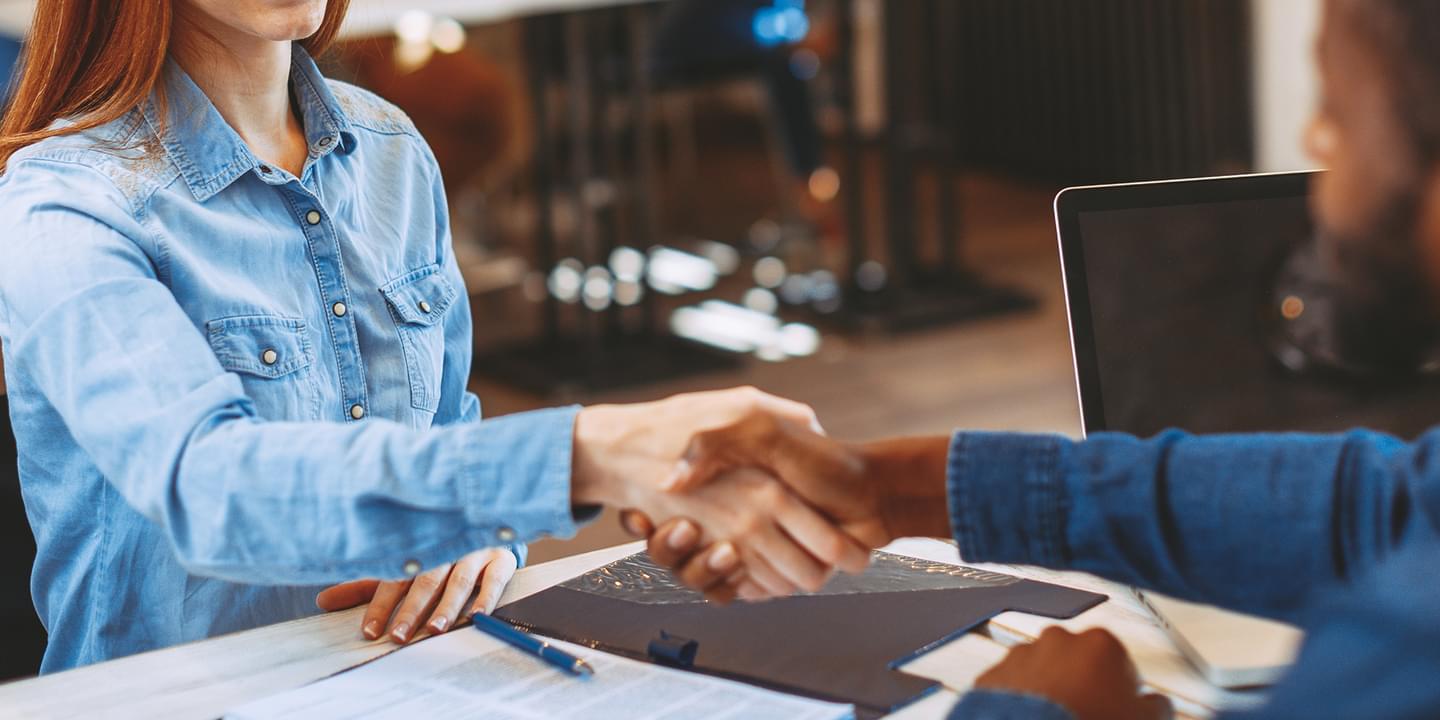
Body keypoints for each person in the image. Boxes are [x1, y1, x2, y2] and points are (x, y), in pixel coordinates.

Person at [0, 0, 866, 672]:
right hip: (191, 693)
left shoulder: (391, 153)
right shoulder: (66, 206)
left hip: (410, 672)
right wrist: (589, 452)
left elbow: (447, 433)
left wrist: (484, 540)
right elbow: (206, 487)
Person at [631, 0, 1440, 717]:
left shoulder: (1404, 649)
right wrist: (888, 487)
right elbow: (1391, 505)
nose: (1315, 143)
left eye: (1335, 109)